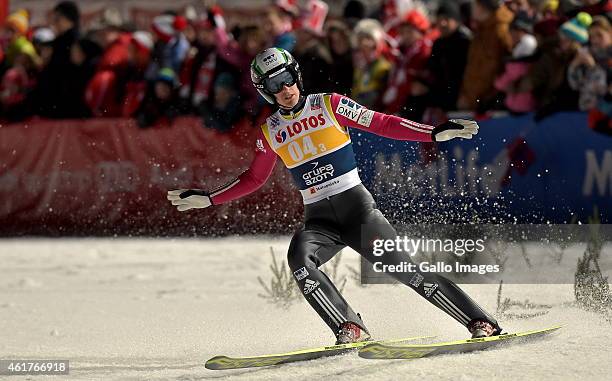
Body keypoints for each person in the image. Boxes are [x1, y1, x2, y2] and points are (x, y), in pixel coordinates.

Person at [167, 48, 502, 344]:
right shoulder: (270, 130)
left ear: (296, 75)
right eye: (273, 85)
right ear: (264, 92)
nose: (284, 89)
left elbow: (381, 123)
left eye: (286, 79)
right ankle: (349, 327)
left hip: (359, 213)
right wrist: (210, 199)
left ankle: (479, 320)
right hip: (320, 222)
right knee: (299, 260)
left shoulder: (330, 104)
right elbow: (254, 178)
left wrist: (432, 133)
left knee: (407, 272)